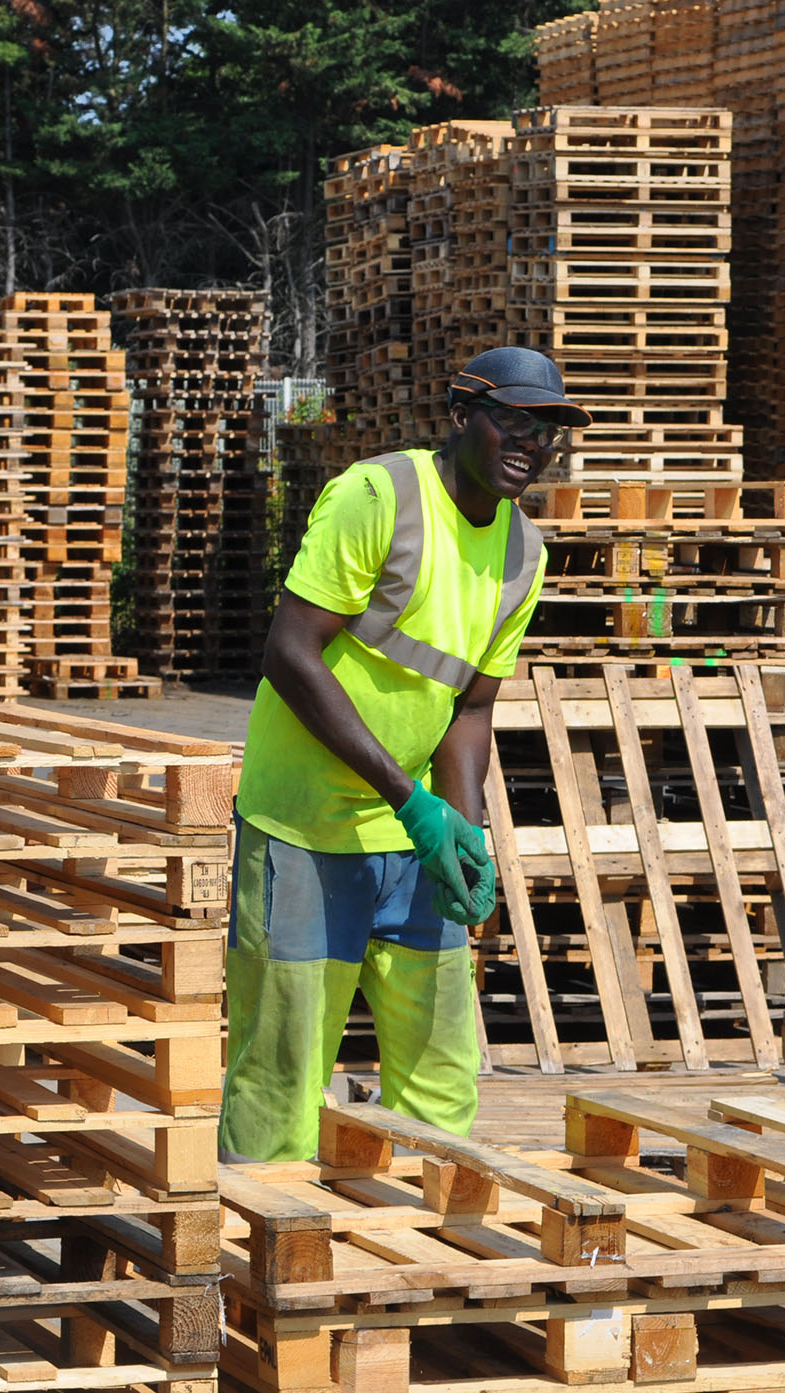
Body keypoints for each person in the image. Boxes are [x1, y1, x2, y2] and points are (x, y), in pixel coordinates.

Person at [219, 346, 591, 1162]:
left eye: (548, 430)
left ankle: (428, 1253)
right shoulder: (379, 496)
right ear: (462, 417)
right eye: (512, 420)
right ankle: (263, 1261)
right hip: (305, 829)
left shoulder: (522, 553)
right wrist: (406, 797)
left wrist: (459, 829)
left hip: (411, 840)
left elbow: (472, 704)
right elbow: (290, 652)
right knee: (283, 1066)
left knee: (440, 1067)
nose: (530, 443)